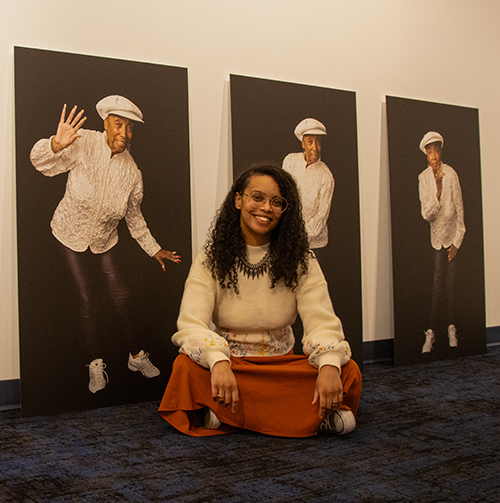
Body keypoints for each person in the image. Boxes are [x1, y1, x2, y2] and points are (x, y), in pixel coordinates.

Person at [158, 165, 361, 437]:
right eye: (258, 197)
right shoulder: (210, 258)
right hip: (231, 365)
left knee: (346, 370)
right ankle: (312, 416)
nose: (266, 208)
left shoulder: (302, 259)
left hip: (281, 367)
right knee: (185, 368)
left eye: (277, 202)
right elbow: (190, 323)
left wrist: (327, 365)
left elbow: (322, 322)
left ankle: (225, 413)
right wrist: (218, 361)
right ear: (239, 199)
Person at [29, 95, 180, 393]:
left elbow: (134, 216)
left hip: (104, 239)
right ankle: (95, 363)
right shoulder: (84, 142)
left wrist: (154, 248)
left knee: (121, 296)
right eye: (118, 124)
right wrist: (56, 145)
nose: (124, 133)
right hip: (69, 233)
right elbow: (40, 164)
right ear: (106, 123)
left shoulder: (132, 172)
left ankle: (136, 356)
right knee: (87, 299)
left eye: (130, 128)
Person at [418, 132, 465, 353]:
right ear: (425, 154)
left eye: (437, 149)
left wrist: (457, 242)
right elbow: (426, 215)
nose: (434, 155)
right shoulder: (423, 178)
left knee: (452, 285)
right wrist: (436, 192)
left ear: (441, 150)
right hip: (436, 240)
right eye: (430, 151)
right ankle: (431, 334)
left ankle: (451, 329)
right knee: (437, 286)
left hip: (452, 240)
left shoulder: (452, 174)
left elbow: (460, 211)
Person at [282, 118, 334, 250]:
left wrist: (302, 236)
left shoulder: (326, 175)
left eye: (318, 142)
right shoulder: (290, 161)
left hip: (313, 244)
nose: (315, 148)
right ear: (303, 143)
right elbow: (282, 196)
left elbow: (322, 215)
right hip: (287, 238)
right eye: (310, 142)